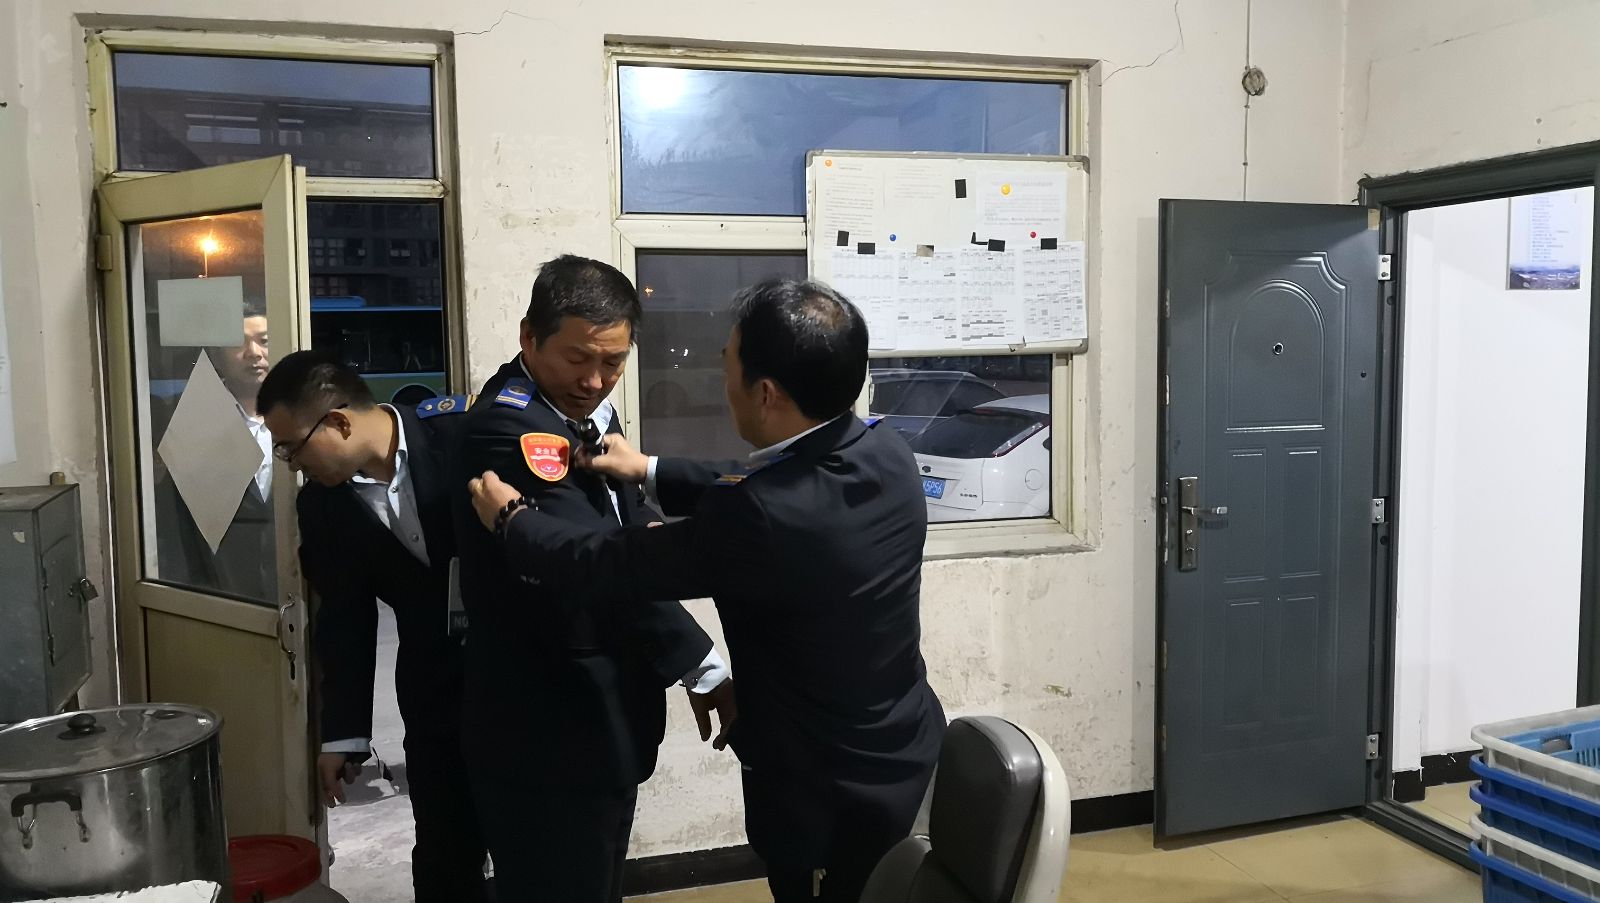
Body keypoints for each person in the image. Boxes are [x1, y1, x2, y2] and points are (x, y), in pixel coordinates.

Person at [468, 278, 947, 903]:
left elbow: (607, 563)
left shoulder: (759, 518)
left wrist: (512, 521)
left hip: (826, 794)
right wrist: (648, 470)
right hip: (907, 753)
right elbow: (766, 480)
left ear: (765, 393)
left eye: (727, 365)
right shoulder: (885, 450)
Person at [446, 254, 733, 903]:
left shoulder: (582, 411)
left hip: (597, 723)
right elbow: (598, 561)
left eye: (614, 362)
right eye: (578, 358)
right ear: (529, 338)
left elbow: (624, 526)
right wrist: (701, 663)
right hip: (549, 731)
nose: (595, 380)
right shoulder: (512, 428)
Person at [256, 351, 488, 903]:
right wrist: (344, 734)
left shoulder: (463, 434)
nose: (290, 464)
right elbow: (345, 618)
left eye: (291, 447)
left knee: (538, 850)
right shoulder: (323, 506)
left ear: (338, 421)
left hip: (523, 683)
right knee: (445, 855)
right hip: (434, 693)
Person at [152, 300, 276, 602]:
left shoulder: (303, 418)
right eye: (238, 343)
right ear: (216, 357)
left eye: (264, 341)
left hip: (292, 585)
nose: (254, 353)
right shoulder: (188, 419)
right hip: (221, 592)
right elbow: (173, 523)